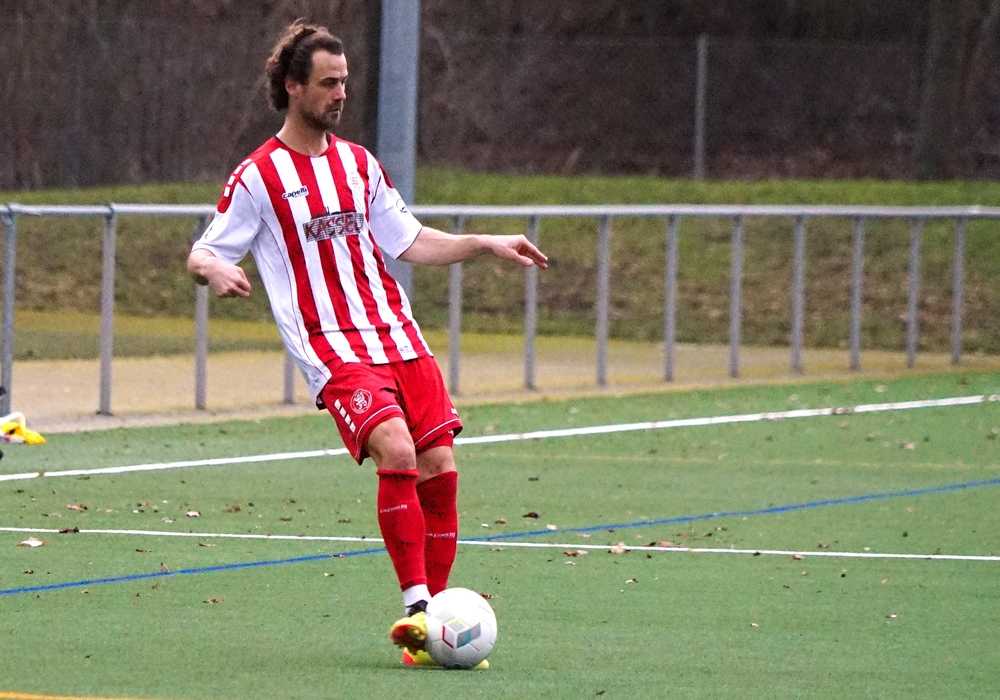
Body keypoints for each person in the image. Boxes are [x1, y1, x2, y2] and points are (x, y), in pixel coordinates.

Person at [186, 21, 547, 668]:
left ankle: (433, 627)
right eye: (328, 83)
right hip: (334, 348)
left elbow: (409, 240)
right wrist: (214, 270)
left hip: (398, 335)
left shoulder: (359, 164)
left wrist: (483, 243)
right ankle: (419, 610)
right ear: (293, 86)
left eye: (345, 82)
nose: (341, 94)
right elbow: (203, 250)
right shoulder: (258, 176)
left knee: (440, 467)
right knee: (398, 450)